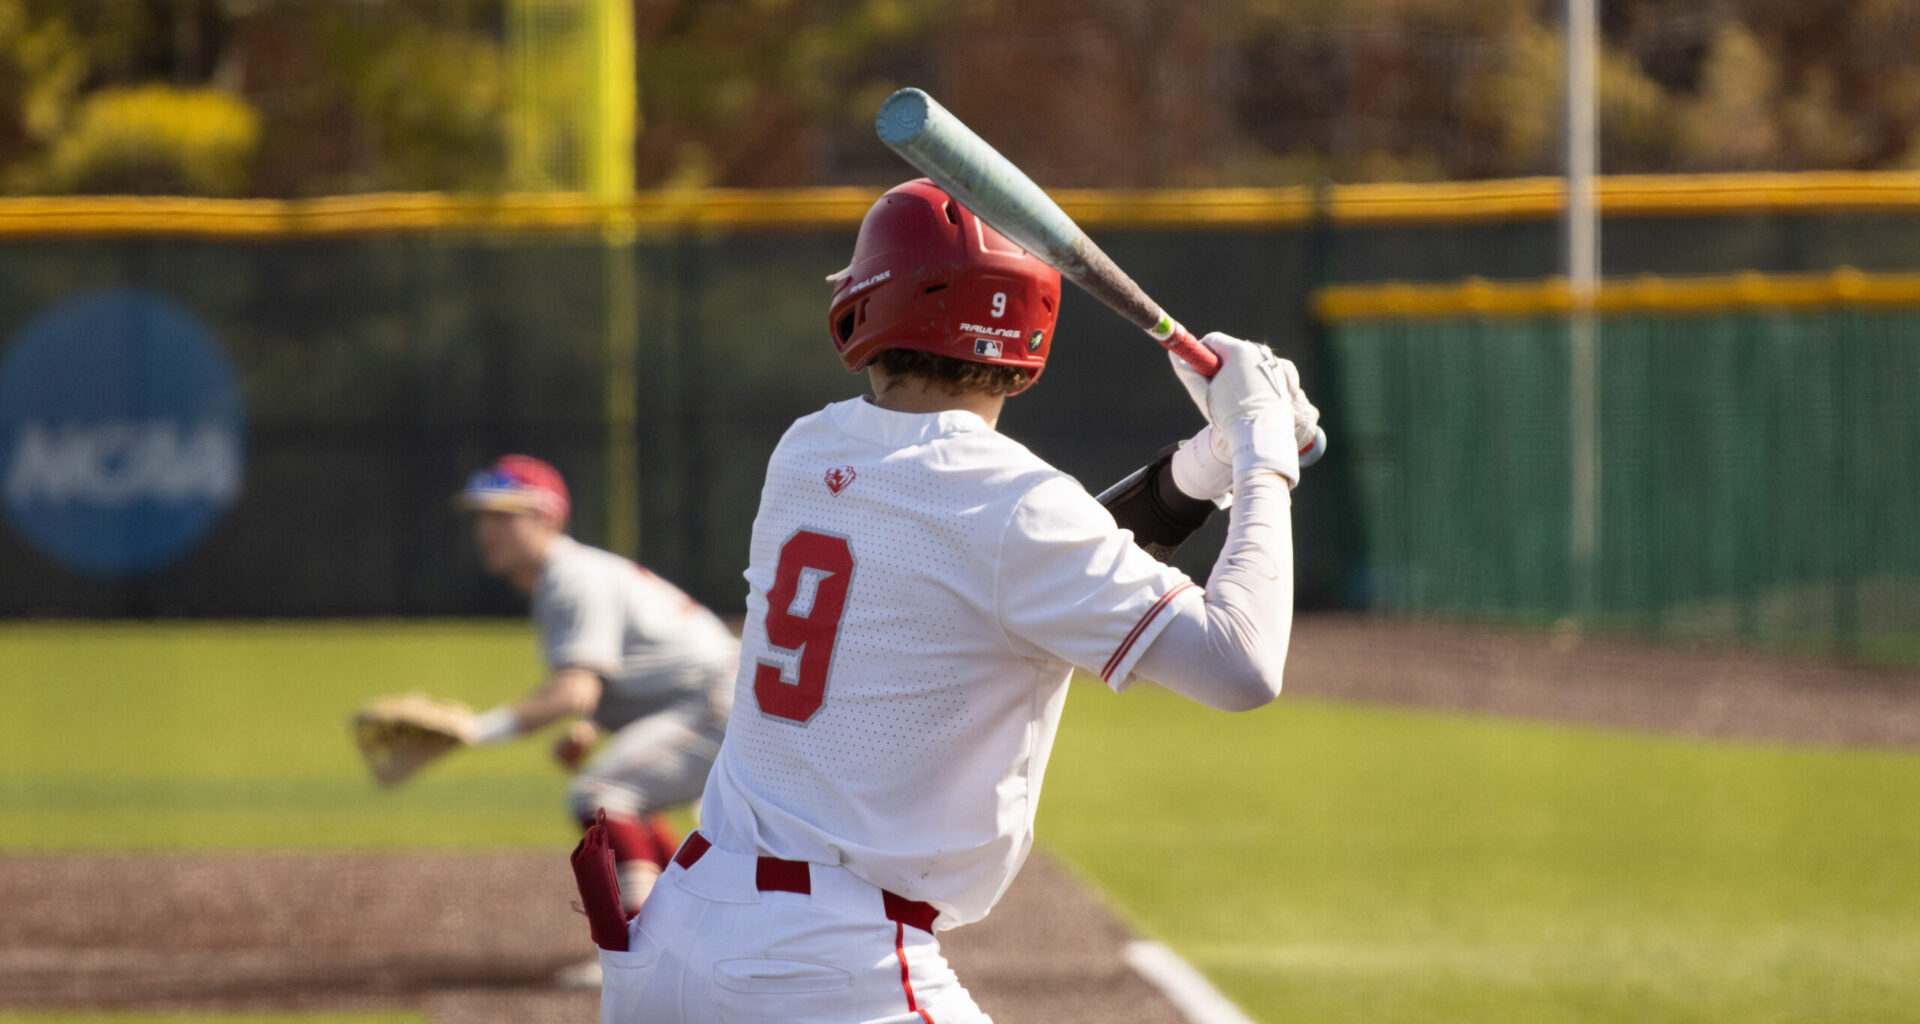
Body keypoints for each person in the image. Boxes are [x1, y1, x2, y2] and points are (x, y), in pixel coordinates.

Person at [598, 179, 1317, 1023]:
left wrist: (1207, 462)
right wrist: (1265, 455)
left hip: (677, 937)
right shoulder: (1012, 505)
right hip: (828, 969)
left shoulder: (808, 448)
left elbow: (1022, 559)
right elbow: (1241, 664)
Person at [455, 454, 736, 988]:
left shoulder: (569, 578)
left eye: (504, 514)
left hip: (714, 699)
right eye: (482, 515)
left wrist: (473, 731)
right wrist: (590, 727)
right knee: (621, 795)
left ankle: (640, 946)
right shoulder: (561, 577)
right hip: (706, 696)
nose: (487, 528)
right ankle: (696, 930)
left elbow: (574, 689)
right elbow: (621, 678)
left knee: (603, 794)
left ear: (548, 517)